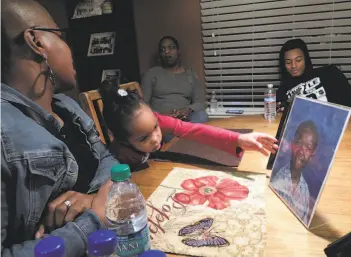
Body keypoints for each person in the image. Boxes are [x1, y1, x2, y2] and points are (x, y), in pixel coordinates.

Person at [1, 1, 119, 256]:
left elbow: (107, 158)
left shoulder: (68, 106)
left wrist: (91, 200)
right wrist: (94, 222)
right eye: (60, 35)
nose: (69, 48)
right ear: (36, 42)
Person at [99, 80, 279, 170]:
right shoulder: (117, 156)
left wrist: (239, 139)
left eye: (155, 127)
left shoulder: (157, 119)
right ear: (122, 139)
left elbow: (194, 130)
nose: (156, 139)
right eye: (143, 138)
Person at [276, 38, 351, 115]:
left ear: (306, 59)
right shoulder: (282, 91)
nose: (293, 66)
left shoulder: (329, 74)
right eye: (288, 62)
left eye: (298, 60)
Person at [141, 36, 209, 123]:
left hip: (185, 120)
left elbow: (200, 102)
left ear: (178, 51)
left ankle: (184, 134)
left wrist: (187, 109)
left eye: (171, 48)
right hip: (161, 121)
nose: (167, 52)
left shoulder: (190, 75)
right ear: (160, 55)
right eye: (163, 49)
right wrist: (161, 116)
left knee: (201, 115)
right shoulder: (151, 74)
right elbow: (143, 104)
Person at [270, 120, 319, 224]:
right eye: (298, 143)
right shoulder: (276, 181)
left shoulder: (305, 189)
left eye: (308, 148)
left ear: (312, 154)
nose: (301, 151)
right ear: (291, 144)